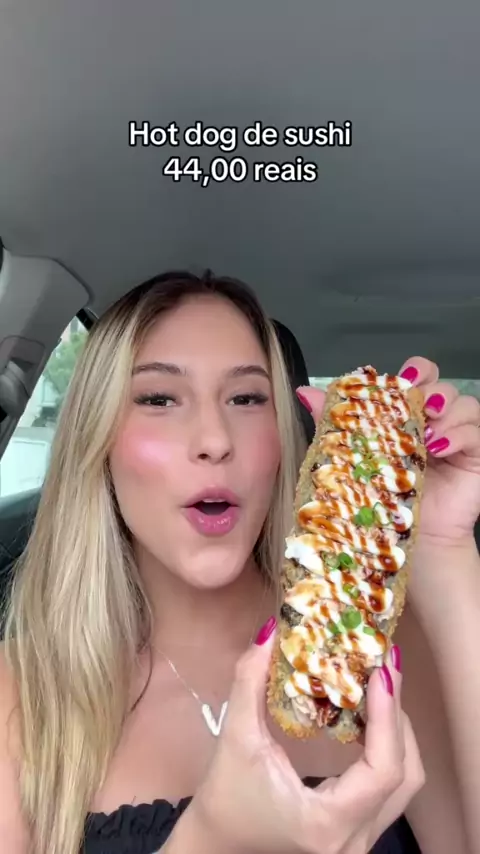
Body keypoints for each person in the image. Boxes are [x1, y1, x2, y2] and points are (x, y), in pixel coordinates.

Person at [0, 271, 479, 854]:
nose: (215, 439)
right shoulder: (21, 695)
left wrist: (445, 551)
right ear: (95, 438)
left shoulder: (381, 656)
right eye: (159, 399)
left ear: (284, 436)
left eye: (247, 398)